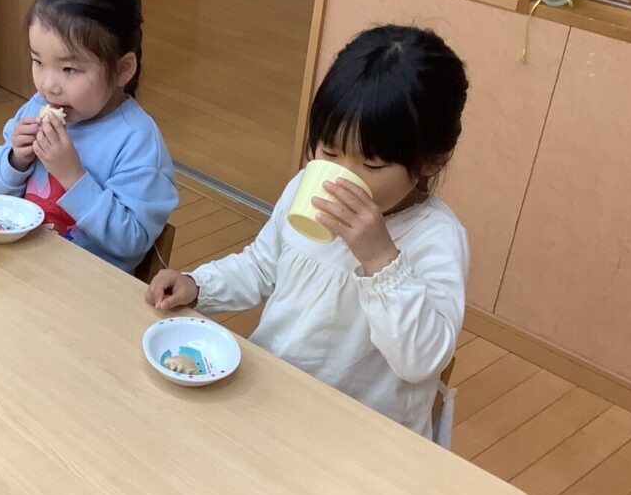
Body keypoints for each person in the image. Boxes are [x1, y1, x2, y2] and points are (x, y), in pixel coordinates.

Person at [148, 23, 470, 441]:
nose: (341, 176)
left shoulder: (436, 238)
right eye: (329, 151)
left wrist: (379, 259)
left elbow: (421, 361)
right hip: (271, 397)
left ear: (430, 160)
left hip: (361, 436)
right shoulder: (306, 187)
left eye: (371, 164)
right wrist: (198, 286)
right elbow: (261, 267)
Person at [0, 0, 178, 273]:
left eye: (69, 69)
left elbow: (132, 241)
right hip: (25, 266)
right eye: (38, 61)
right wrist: (14, 160)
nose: (48, 85)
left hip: (88, 285)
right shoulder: (35, 107)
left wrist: (73, 176)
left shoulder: (136, 142)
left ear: (123, 69)